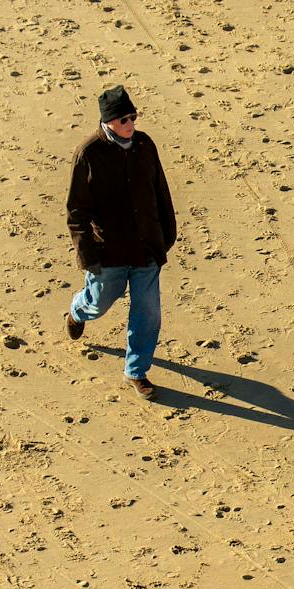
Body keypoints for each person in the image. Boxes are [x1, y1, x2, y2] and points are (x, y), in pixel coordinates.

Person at [63, 84, 176, 399]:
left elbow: (160, 190)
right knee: (98, 303)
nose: (131, 124)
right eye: (124, 119)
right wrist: (87, 257)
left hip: (146, 247)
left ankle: (136, 371)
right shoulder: (88, 154)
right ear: (108, 121)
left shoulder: (144, 145)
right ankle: (76, 312)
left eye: (133, 117)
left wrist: (166, 235)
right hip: (108, 253)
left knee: (148, 311)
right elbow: (76, 211)